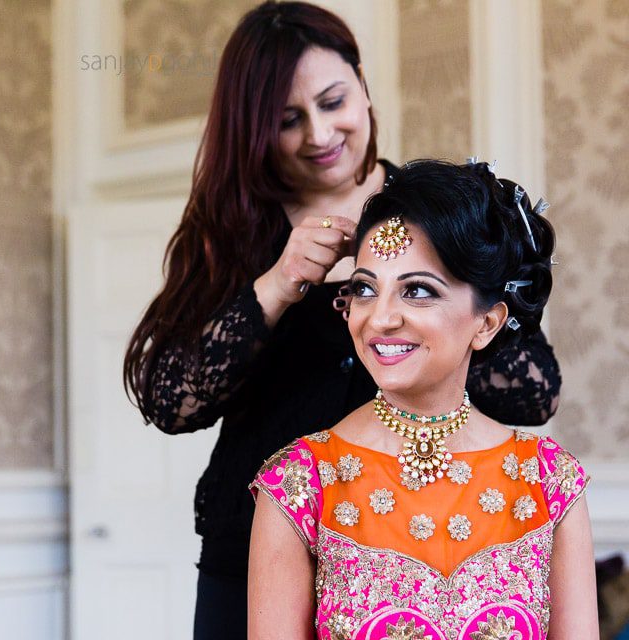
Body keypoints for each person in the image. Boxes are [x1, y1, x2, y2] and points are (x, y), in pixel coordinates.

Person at [122, 3, 561, 638]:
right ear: (252, 130)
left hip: (411, 538)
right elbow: (171, 401)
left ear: (363, 85)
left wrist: (423, 291)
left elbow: (535, 394)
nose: (320, 135)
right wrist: (275, 285)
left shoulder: (429, 215)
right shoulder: (233, 230)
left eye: (333, 102)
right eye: (287, 120)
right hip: (255, 551)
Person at [249, 159, 596, 639]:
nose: (380, 319)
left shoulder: (550, 483)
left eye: (416, 291)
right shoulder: (298, 485)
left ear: (487, 322)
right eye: (365, 289)